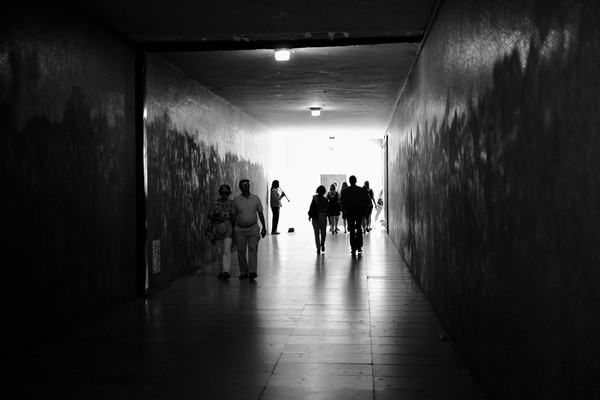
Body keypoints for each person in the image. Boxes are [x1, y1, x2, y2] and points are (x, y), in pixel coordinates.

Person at [233, 179, 267, 280]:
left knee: (253, 249)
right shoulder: (237, 200)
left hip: (253, 228)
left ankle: (252, 272)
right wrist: (233, 229)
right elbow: (233, 215)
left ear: (249, 186)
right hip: (240, 229)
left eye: (247, 185)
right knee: (241, 251)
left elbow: (260, 213)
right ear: (240, 188)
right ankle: (243, 272)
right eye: (243, 185)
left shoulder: (255, 198)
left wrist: (264, 227)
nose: (246, 187)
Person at [208, 184, 235, 280]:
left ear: (229, 194)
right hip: (217, 229)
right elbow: (209, 216)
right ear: (220, 193)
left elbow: (233, 217)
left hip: (228, 228)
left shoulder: (232, 203)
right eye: (223, 193)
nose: (224, 194)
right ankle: (222, 271)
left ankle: (226, 271)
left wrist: (234, 230)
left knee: (226, 250)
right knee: (219, 251)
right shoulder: (215, 203)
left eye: (226, 193)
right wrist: (216, 217)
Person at [340, 175, 370, 255]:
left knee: (352, 229)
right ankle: (359, 246)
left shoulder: (345, 191)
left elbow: (343, 203)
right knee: (359, 228)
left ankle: (353, 247)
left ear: (349, 181)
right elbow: (365, 202)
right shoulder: (360, 190)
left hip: (349, 212)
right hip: (359, 211)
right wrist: (365, 213)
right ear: (356, 181)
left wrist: (343, 212)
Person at [308, 185, 329, 254]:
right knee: (323, 232)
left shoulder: (314, 198)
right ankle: (322, 242)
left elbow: (311, 208)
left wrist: (310, 216)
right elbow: (328, 209)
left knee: (316, 233)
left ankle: (318, 248)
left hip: (315, 217)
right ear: (324, 192)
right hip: (323, 216)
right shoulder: (325, 200)